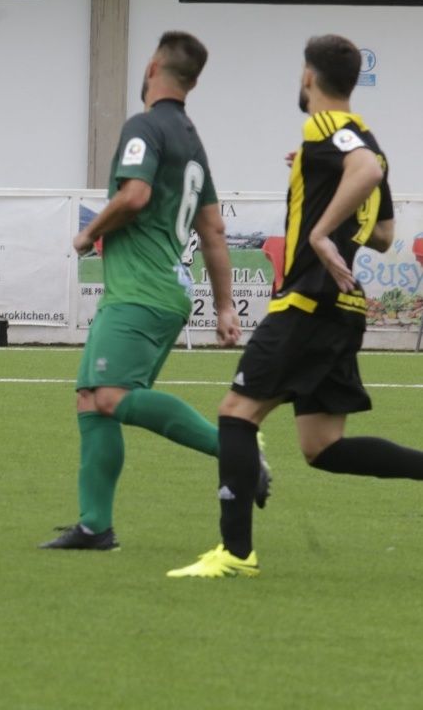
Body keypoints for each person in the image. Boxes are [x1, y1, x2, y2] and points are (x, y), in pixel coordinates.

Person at [169, 34, 423, 579]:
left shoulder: (330, 130)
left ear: (309, 78)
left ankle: (235, 555)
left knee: (236, 414)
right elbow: (382, 233)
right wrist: (323, 177)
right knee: (323, 446)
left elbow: (367, 175)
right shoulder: (365, 140)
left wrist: (323, 234)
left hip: (307, 302)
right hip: (341, 309)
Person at [41, 31, 268, 551]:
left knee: (112, 396)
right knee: (90, 400)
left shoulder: (145, 126)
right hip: (157, 290)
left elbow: (135, 194)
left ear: (151, 68)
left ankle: (238, 455)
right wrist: (226, 306)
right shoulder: (191, 142)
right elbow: (212, 231)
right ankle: (95, 526)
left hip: (141, 291)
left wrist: (88, 232)